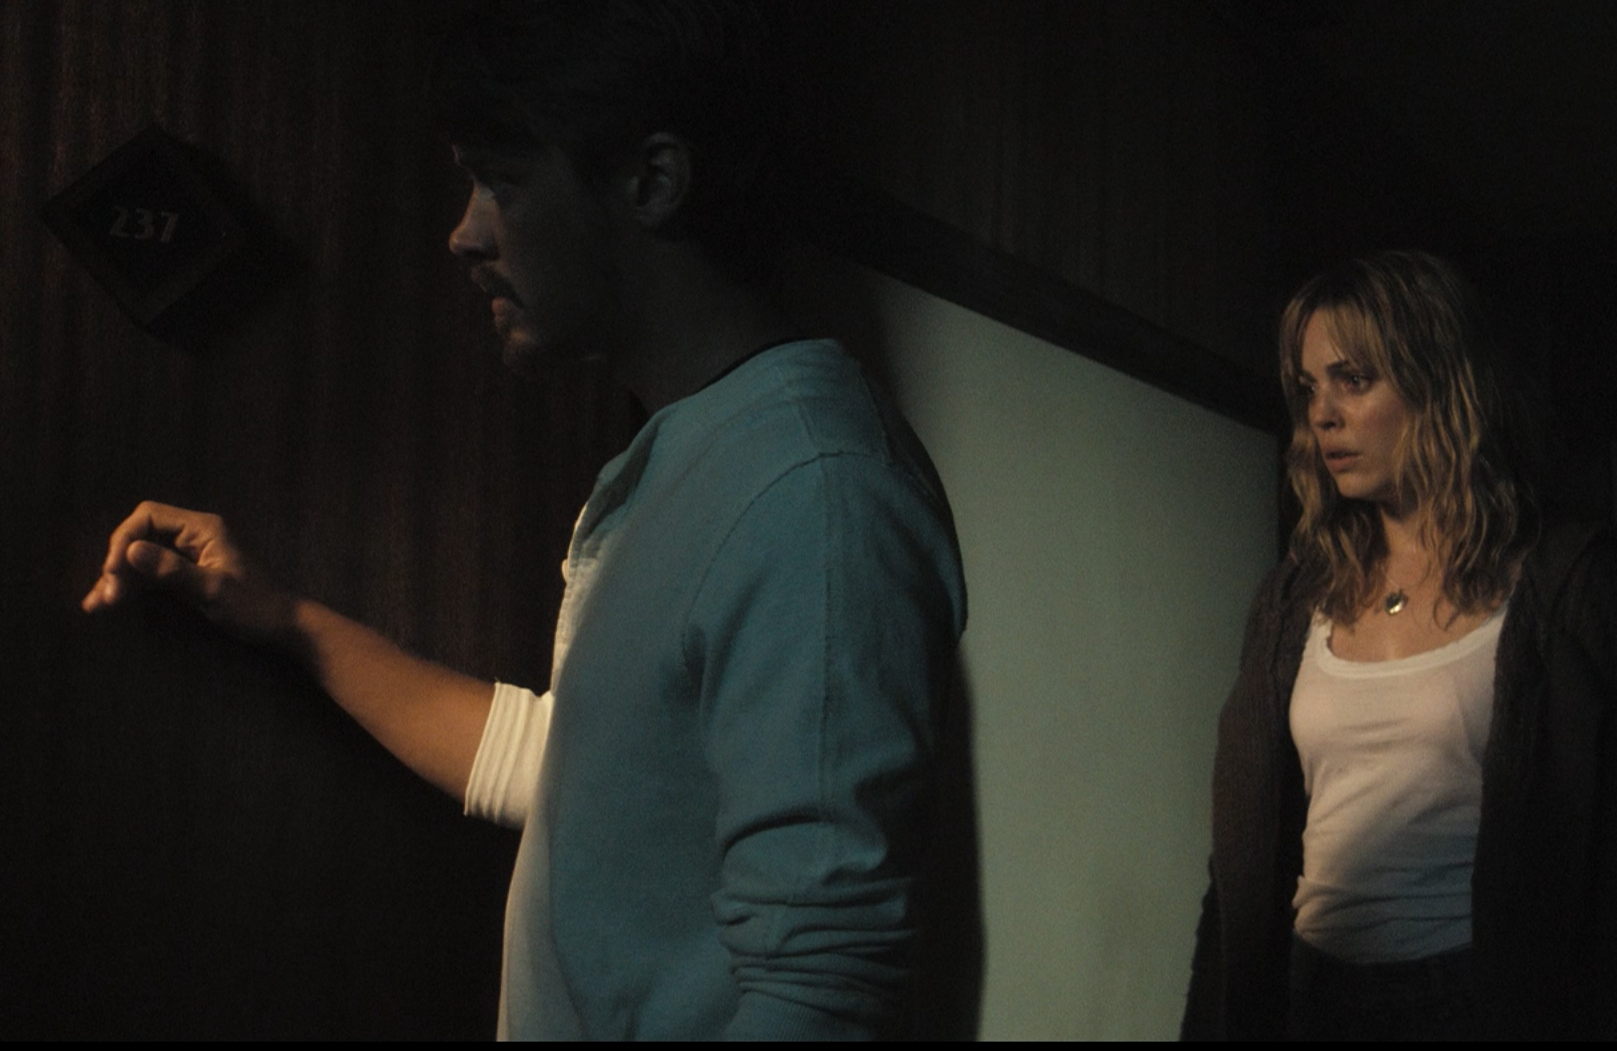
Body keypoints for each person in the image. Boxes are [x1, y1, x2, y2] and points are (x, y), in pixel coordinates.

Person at [81, 0, 967, 1040]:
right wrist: (282, 618)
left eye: (501, 181)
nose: (464, 232)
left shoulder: (813, 490)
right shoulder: (692, 455)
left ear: (652, 181)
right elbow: (581, 774)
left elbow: (823, 989)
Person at [1180, 251, 1617, 1040]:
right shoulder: (1295, 596)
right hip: (1308, 992)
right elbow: (1241, 855)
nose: (1322, 415)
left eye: (1354, 380)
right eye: (1310, 388)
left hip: (1470, 997)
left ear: (1437, 384)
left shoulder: (1562, 586)